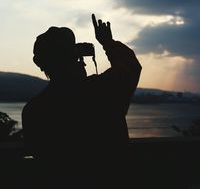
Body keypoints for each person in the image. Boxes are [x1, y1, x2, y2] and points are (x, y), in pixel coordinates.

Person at [22, 14, 142, 188]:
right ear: (73, 58)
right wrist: (108, 43)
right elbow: (130, 66)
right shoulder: (102, 91)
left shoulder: (34, 110)